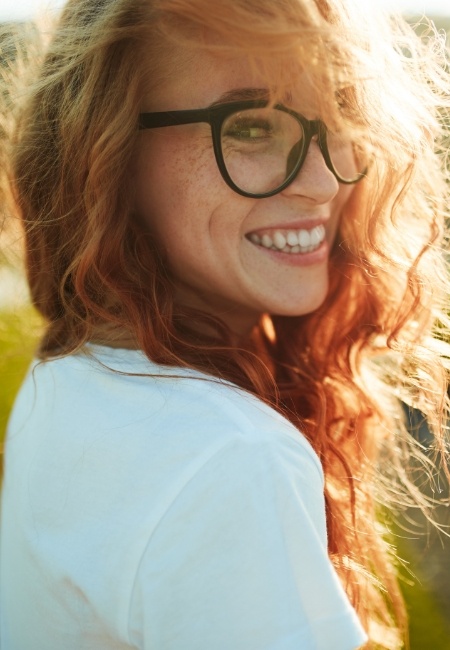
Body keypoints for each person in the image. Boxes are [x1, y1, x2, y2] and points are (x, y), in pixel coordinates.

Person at [0, 0, 449, 648]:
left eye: (340, 117)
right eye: (251, 126)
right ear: (106, 155)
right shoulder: (229, 456)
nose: (324, 183)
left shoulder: (74, 376)